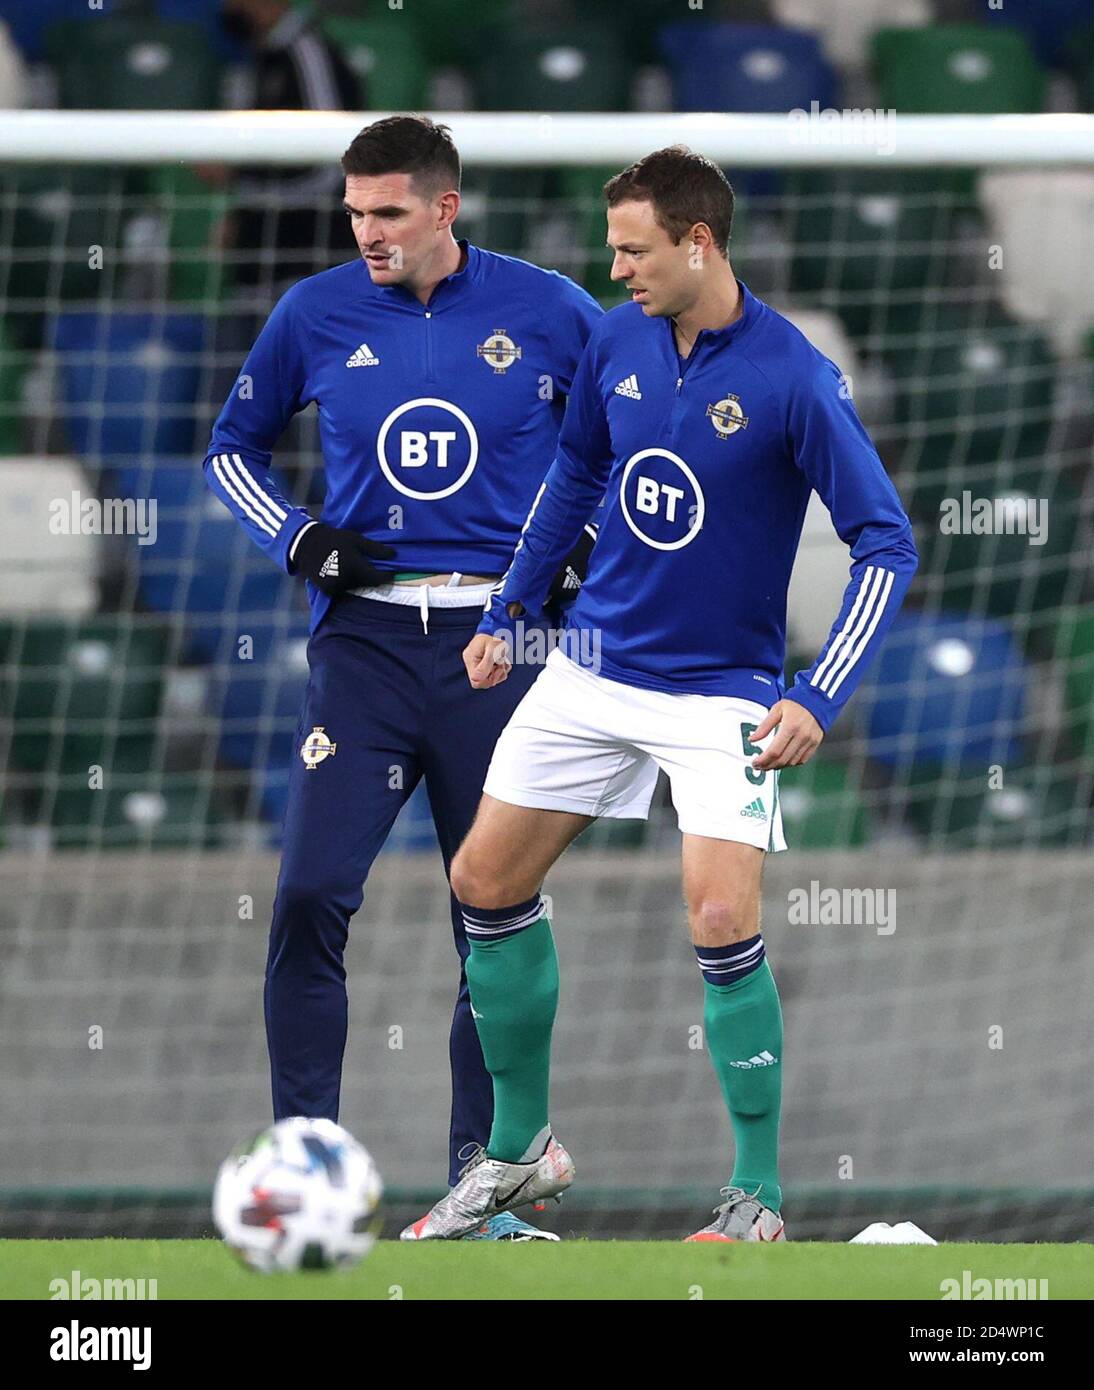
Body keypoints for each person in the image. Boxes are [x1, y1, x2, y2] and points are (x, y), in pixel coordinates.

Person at [404, 145, 919, 1242]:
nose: (617, 267)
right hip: (590, 668)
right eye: (611, 249)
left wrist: (817, 692)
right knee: (480, 880)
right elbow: (574, 477)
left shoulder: (792, 375)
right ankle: (519, 1155)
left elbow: (886, 543)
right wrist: (508, 611)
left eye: (634, 249)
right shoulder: (616, 337)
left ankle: (755, 1202)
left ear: (698, 242)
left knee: (722, 915)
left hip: (718, 692)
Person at [204, 115, 602, 1240]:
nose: (364, 232)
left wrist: (564, 561)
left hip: (499, 649)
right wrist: (299, 539)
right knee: (306, 895)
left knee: (489, 914)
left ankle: (485, 1187)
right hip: (366, 647)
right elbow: (227, 450)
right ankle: (299, 1174)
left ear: (444, 209)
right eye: (353, 211)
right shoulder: (314, 311)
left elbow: (623, 447)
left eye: (385, 212)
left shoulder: (550, 309)